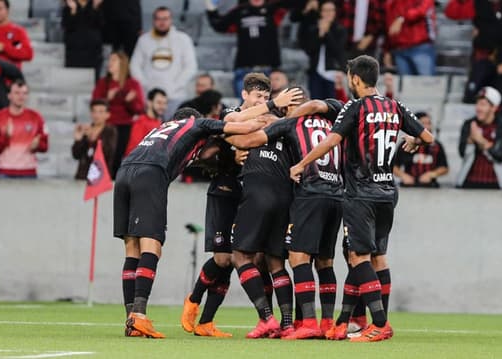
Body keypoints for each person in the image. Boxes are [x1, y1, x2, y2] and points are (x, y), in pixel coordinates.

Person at [290, 55, 434, 342]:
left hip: (361, 193)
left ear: (355, 79)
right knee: (378, 257)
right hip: (387, 192)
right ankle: (353, 320)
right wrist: (413, 139)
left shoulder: (355, 107)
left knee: (358, 256)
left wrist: (301, 164)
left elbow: (331, 141)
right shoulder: (395, 106)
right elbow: (428, 137)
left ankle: (379, 324)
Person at [116, 107, 269, 339]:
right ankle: (139, 316)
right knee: (152, 246)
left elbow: (199, 158)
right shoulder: (196, 124)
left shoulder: (163, 129)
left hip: (124, 172)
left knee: (132, 249)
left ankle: (131, 319)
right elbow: (243, 127)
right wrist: (272, 108)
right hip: (151, 174)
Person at [180, 74, 301, 338]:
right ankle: (193, 300)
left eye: (266, 97)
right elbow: (224, 132)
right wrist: (233, 152)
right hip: (227, 191)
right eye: (257, 96)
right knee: (224, 258)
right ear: (245, 95)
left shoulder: (272, 121)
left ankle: (219, 322)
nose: (262, 100)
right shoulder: (232, 112)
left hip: (254, 192)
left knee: (258, 260)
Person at [226, 96, 344, 339]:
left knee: (295, 258)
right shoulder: (334, 122)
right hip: (337, 195)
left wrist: (226, 137)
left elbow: (248, 139)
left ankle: (289, 321)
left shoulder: (290, 123)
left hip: (309, 194)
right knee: (322, 262)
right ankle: (320, 323)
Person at [205, 0, 297, 96]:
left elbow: (292, 4)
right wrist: (210, 7)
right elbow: (220, 25)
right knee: (245, 106)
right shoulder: (239, 11)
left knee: (271, 105)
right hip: (244, 67)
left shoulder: (273, 8)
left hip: (269, 68)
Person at [130, 6, 197, 120]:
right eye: (158, 19)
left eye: (165, 18)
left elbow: (191, 67)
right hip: (151, 97)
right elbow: (134, 66)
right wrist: (147, 86)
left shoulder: (183, 39)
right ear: (154, 20)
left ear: (171, 20)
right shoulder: (144, 40)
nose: (162, 22)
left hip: (176, 97)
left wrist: (174, 86)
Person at [92, 50, 145, 177]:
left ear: (123, 63)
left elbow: (139, 109)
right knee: (103, 156)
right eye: (109, 60)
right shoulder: (103, 83)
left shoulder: (132, 83)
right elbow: (94, 103)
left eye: (113, 60)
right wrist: (108, 99)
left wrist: (129, 101)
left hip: (124, 126)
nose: (109, 63)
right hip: (106, 126)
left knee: (118, 157)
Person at [0, 79, 48, 178]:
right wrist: (5, 137)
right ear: (9, 95)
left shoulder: (36, 117)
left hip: (29, 172)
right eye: (17, 93)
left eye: (24, 93)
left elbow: (45, 146)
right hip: (5, 172)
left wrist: (37, 146)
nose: (21, 96)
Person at [456, 86, 502, 191]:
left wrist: (479, 140)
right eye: (477, 104)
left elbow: (499, 154)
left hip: (495, 183)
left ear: (494, 108)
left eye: (483, 104)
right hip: (469, 181)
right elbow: (462, 152)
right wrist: (470, 141)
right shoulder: (469, 124)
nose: (478, 108)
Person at [298, 0, 347, 100]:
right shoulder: (313, 29)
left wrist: (327, 33)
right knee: (316, 103)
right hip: (315, 72)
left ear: (335, 12)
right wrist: (320, 35)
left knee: (332, 104)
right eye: (325, 10)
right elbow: (309, 50)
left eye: (331, 10)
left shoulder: (340, 30)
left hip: (333, 72)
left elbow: (337, 51)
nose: (328, 13)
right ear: (321, 12)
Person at [393, 112, 449, 187]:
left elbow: (444, 168)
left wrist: (431, 174)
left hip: (430, 186)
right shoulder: (406, 143)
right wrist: (403, 176)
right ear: (416, 125)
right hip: (409, 186)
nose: (427, 127)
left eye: (429, 123)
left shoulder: (437, 146)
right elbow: (394, 166)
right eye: (423, 124)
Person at [384, 0, 437, 75]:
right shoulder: (390, 2)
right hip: (399, 49)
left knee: (427, 84)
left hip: (420, 47)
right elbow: (389, 26)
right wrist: (387, 50)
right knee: (404, 85)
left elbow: (422, 10)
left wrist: (402, 18)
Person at [72, 99, 118, 180]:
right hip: (83, 176)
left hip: (101, 178)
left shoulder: (110, 131)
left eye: (101, 112)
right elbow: (76, 155)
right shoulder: (86, 129)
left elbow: (108, 152)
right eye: (94, 111)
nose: (97, 115)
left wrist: (93, 138)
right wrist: (78, 140)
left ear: (107, 114)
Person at [61, 0, 104, 80]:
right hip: (74, 53)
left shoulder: (97, 6)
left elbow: (100, 24)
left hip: (93, 53)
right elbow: (67, 26)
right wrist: (73, 11)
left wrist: (95, 8)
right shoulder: (68, 8)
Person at [124, 88, 167, 158]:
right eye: (159, 103)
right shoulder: (140, 122)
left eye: (164, 103)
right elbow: (134, 150)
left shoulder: (162, 123)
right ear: (149, 103)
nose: (162, 106)